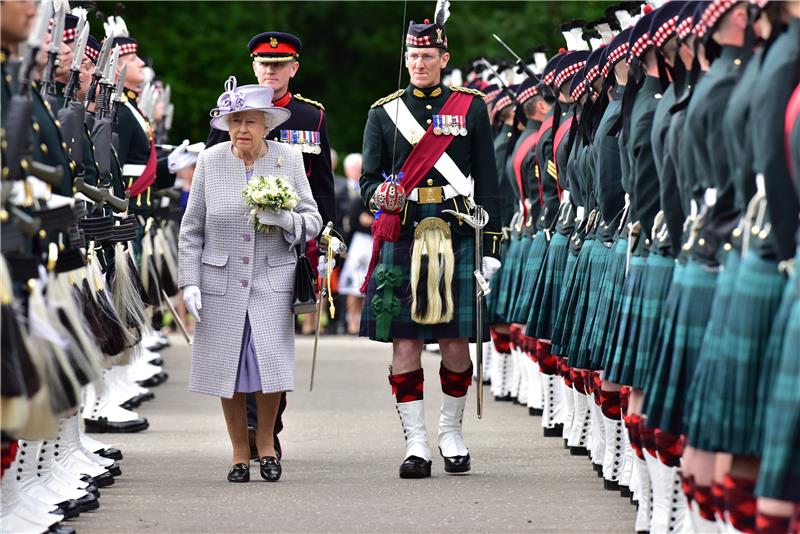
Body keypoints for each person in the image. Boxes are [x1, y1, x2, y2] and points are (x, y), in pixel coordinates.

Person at [359, 3, 502, 479]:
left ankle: (450, 431)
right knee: (404, 345)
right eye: (413, 55)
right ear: (405, 59)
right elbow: (367, 183)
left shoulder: (471, 106)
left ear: (444, 56)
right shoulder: (383, 113)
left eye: (428, 55)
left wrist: (493, 250)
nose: (419, 63)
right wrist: (382, 193)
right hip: (404, 233)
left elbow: (489, 179)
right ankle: (416, 442)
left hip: (457, 231)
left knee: (456, 343)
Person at [178, 77, 322, 483]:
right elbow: (192, 230)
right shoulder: (210, 160)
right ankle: (239, 452)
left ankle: (266, 447)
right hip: (220, 282)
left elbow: (312, 219)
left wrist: (285, 219)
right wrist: (189, 281)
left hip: (271, 281)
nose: (242, 129)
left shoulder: (288, 159)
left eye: (250, 121)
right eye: (234, 121)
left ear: (266, 125)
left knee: (268, 367)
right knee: (228, 369)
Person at [205, 31, 335, 457]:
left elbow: (322, 188)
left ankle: (269, 430)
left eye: (278, 65)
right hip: (235, 248)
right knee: (237, 345)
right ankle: (248, 433)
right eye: (263, 64)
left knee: (271, 347)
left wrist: (328, 243)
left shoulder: (311, 117)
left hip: (290, 247)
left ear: (293, 69)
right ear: (253, 67)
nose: (270, 71)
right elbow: (213, 181)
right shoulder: (233, 114)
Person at [338, 153, 372, 334]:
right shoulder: (356, 198)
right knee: (353, 284)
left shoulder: (371, 193)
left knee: (368, 284)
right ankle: (351, 322)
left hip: (372, 241)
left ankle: (364, 323)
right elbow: (354, 219)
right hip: (357, 242)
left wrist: (372, 221)